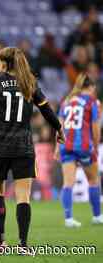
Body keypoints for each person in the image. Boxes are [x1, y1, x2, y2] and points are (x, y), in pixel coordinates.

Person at [0, 47, 65, 250]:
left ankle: (1, 242)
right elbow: (46, 110)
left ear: (3, 63)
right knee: (23, 196)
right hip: (23, 146)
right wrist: (59, 129)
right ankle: (23, 244)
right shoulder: (29, 82)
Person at [56, 74, 103, 227]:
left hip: (66, 146)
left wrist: (57, 147)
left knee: (68, 183)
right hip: (83, 147)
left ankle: (68, 219)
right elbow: (95, 128)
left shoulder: (66, 101)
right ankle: (97, 216)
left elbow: (60, 126)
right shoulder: (92, 101)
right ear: (91, 87)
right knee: (94, 180)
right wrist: (95, 147)